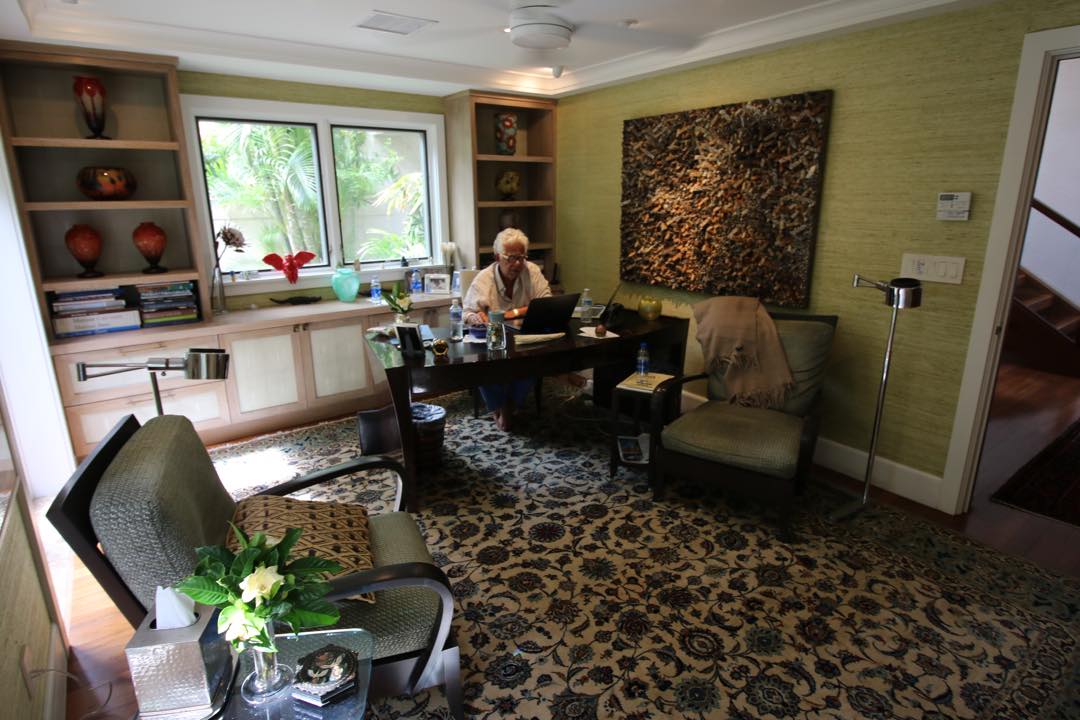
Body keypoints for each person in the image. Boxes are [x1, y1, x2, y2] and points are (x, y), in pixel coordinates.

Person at [463, 228, 552, 430]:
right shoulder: (484, 278)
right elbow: (466, 313)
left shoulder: (531, 271)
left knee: (536, 357)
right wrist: (476, 317)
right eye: (511, 258)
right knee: (482, 362)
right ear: (497, 257)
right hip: (494, 339)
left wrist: (511, 314)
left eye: (521, 257)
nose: (518, 264)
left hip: (523, 337)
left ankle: (509, 406)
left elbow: (546, 302)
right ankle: (500, 406)